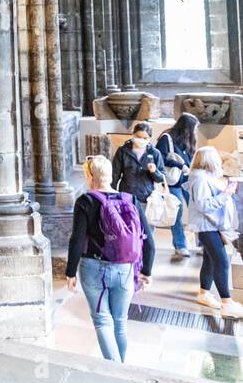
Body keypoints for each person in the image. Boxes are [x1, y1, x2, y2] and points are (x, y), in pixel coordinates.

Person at [66, 154, 152, 362]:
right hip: (125, 268)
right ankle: (120, 370)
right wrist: (147, 271)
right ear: (110, 175)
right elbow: (149, 241)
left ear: (89, 175)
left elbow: (77, 239)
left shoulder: (86, 201)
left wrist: (70, 272)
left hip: (93, 268)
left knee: (103, 321)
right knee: (120, 322)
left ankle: (115, 373)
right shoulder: (130, 199)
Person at [185, 146, 243, 317]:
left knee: (210, 260)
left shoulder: (201, 177)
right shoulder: (200, 179)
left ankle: (204, 293)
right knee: (222, 262)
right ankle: (226, 302)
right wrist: (226, 194)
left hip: (208, 225)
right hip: (206, 226)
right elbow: (204, 205)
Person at [113, 120, 165, 269]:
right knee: (128, 232)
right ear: (133, 135)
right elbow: (115, 174)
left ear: (149, 139)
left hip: (146, 198)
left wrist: (154, 171)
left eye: (144, 137)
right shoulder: (123, 151)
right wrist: (111, 196)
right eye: (138, 136)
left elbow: (161, 178)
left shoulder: (154, 153)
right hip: (126, 197)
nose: (141, 140)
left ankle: (144, 265)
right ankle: (129, 260)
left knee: (147, 233)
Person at [156, 112, 199, 261]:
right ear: (186, 128)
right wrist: (179, 165)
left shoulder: (188, 140)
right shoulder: (166, 138)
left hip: (187, 179)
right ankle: (180, 245)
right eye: (194, 128)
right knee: (177, 213)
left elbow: (191, 158)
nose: (195, 132)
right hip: (173, 180)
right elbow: (159, 158)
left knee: (196, 209)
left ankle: (201, 243)